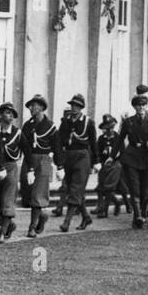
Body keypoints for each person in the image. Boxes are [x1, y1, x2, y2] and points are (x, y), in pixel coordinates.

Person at [56, 94, 96, 232]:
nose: (74, 108)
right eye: (73, 105)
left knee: (75, 188)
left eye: (77, 106)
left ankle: (66, 222)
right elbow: (60, 141)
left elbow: (93, 143)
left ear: (81, 108)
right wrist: (59, 161)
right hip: (68, 156)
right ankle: (85, 216)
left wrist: (96, 162)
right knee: (72, 188)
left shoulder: (88, 122)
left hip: (82, 156)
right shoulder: (66, 121)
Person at [119, 92, 148, 229]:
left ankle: (142, 214)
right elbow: (120, 139)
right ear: (134, 107)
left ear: (146, 106)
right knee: (134, 188)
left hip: (147, 157)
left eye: (143, 105)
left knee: (144, 188)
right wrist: (114, 156)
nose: (141, 108)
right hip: (132, 157)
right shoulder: (128, 122)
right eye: (138, 105)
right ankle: (138, 216)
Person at [20, 95, 57, 238]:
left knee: (38, 194)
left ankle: (32, 227)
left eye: (33, 105)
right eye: (30, 106)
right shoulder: (27, 126)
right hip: (29, 160)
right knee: (28, 193)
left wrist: (59, 166)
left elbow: (57, 146)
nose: (30, 108)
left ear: (41, 107)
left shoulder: (50, 126)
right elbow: (23, 144)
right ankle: (42, 216)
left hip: (44, 160)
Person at [0, 103, 22, 243]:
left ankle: (1, 233)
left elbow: (27, 150)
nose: (9, 116)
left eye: (11, 113)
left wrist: (32, 170)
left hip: (10, 167)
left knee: (8, 199)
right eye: (6, 112)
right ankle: (8, 224)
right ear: (1, 114)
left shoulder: (17, 133)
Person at [94, 114, 123, 218]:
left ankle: (104, 211)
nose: (109, 130)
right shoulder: (101, 138)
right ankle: (114, 202)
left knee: (108, 188)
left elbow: (122, 151)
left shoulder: (118, 138)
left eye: (111, 127)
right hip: (103, 165)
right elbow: (97, 151)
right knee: (100, 187)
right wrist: (97, 162)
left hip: (115, 164)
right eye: (107, 128)